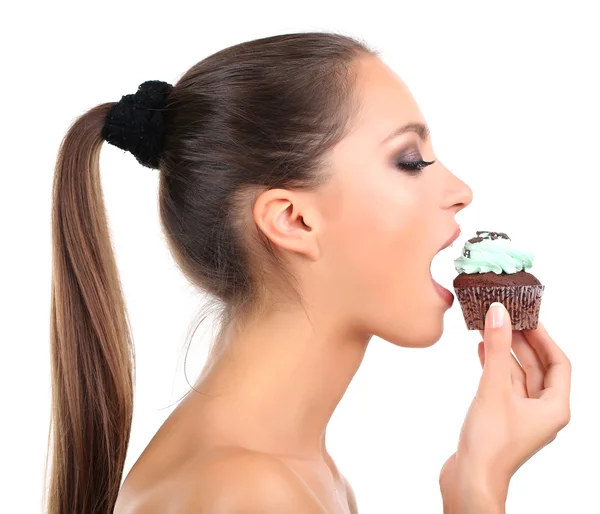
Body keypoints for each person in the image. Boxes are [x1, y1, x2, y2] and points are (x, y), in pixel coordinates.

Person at [46, 31, 571, 513]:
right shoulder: (248, 494)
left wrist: (467, 482)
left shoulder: (304, 474)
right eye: (410, 161)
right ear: (293, 220)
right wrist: (480, 490)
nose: (461, 192)